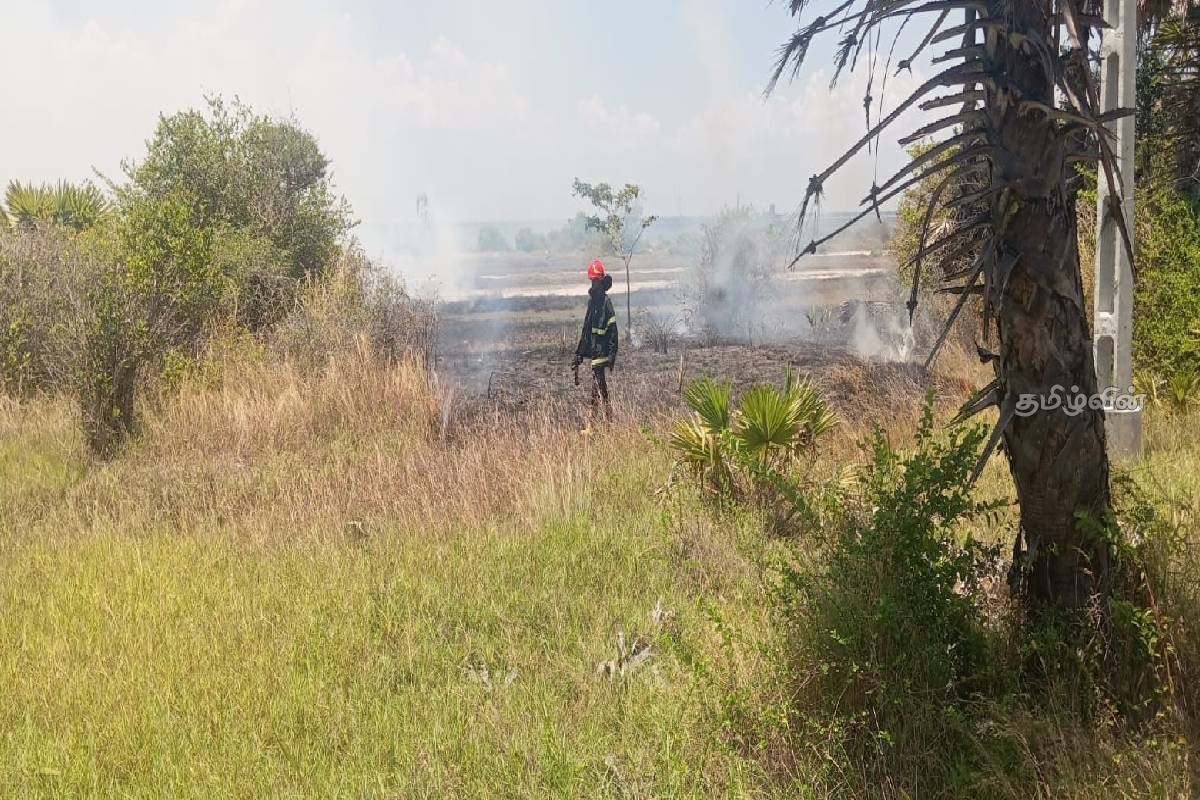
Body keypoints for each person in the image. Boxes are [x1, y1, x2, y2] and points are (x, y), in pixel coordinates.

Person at [572, 259, 618, 424]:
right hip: (593, 349)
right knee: (600, 385)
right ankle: (608, 418)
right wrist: (579, 353)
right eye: (591, 281)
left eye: (595, 281)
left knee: (596, 383)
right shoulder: (592, 302)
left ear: (601, 281)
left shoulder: (606, 303)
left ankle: (592, 422)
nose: (593, 284)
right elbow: (586, 328)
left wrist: (612, 355)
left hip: (603, 351)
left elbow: (613, 330)